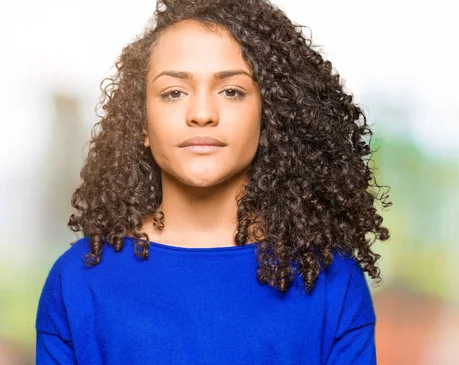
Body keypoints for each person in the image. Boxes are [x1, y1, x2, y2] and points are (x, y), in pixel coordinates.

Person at [35, 0, 391, 363]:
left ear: (269, 118)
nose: (202, 114)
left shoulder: (332, 282)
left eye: (231, 91)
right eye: (174, 92)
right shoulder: (78, 281)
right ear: (141, 123)